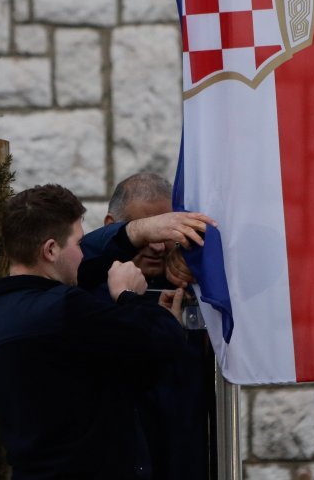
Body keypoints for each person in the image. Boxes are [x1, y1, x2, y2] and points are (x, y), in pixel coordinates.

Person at [0, 184, 214, 479]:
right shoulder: (64, 309)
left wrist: (134, 233)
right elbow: (161, 341)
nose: (81, 255)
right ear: (51, 249)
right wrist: (130, 296)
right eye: (77, 244)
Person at [78, 172, 216, 480]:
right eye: (146, 234)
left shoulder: (191, 283)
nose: (158, 248)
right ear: (112, 226)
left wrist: (199, 264)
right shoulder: (86, 290)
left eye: (166, 231)